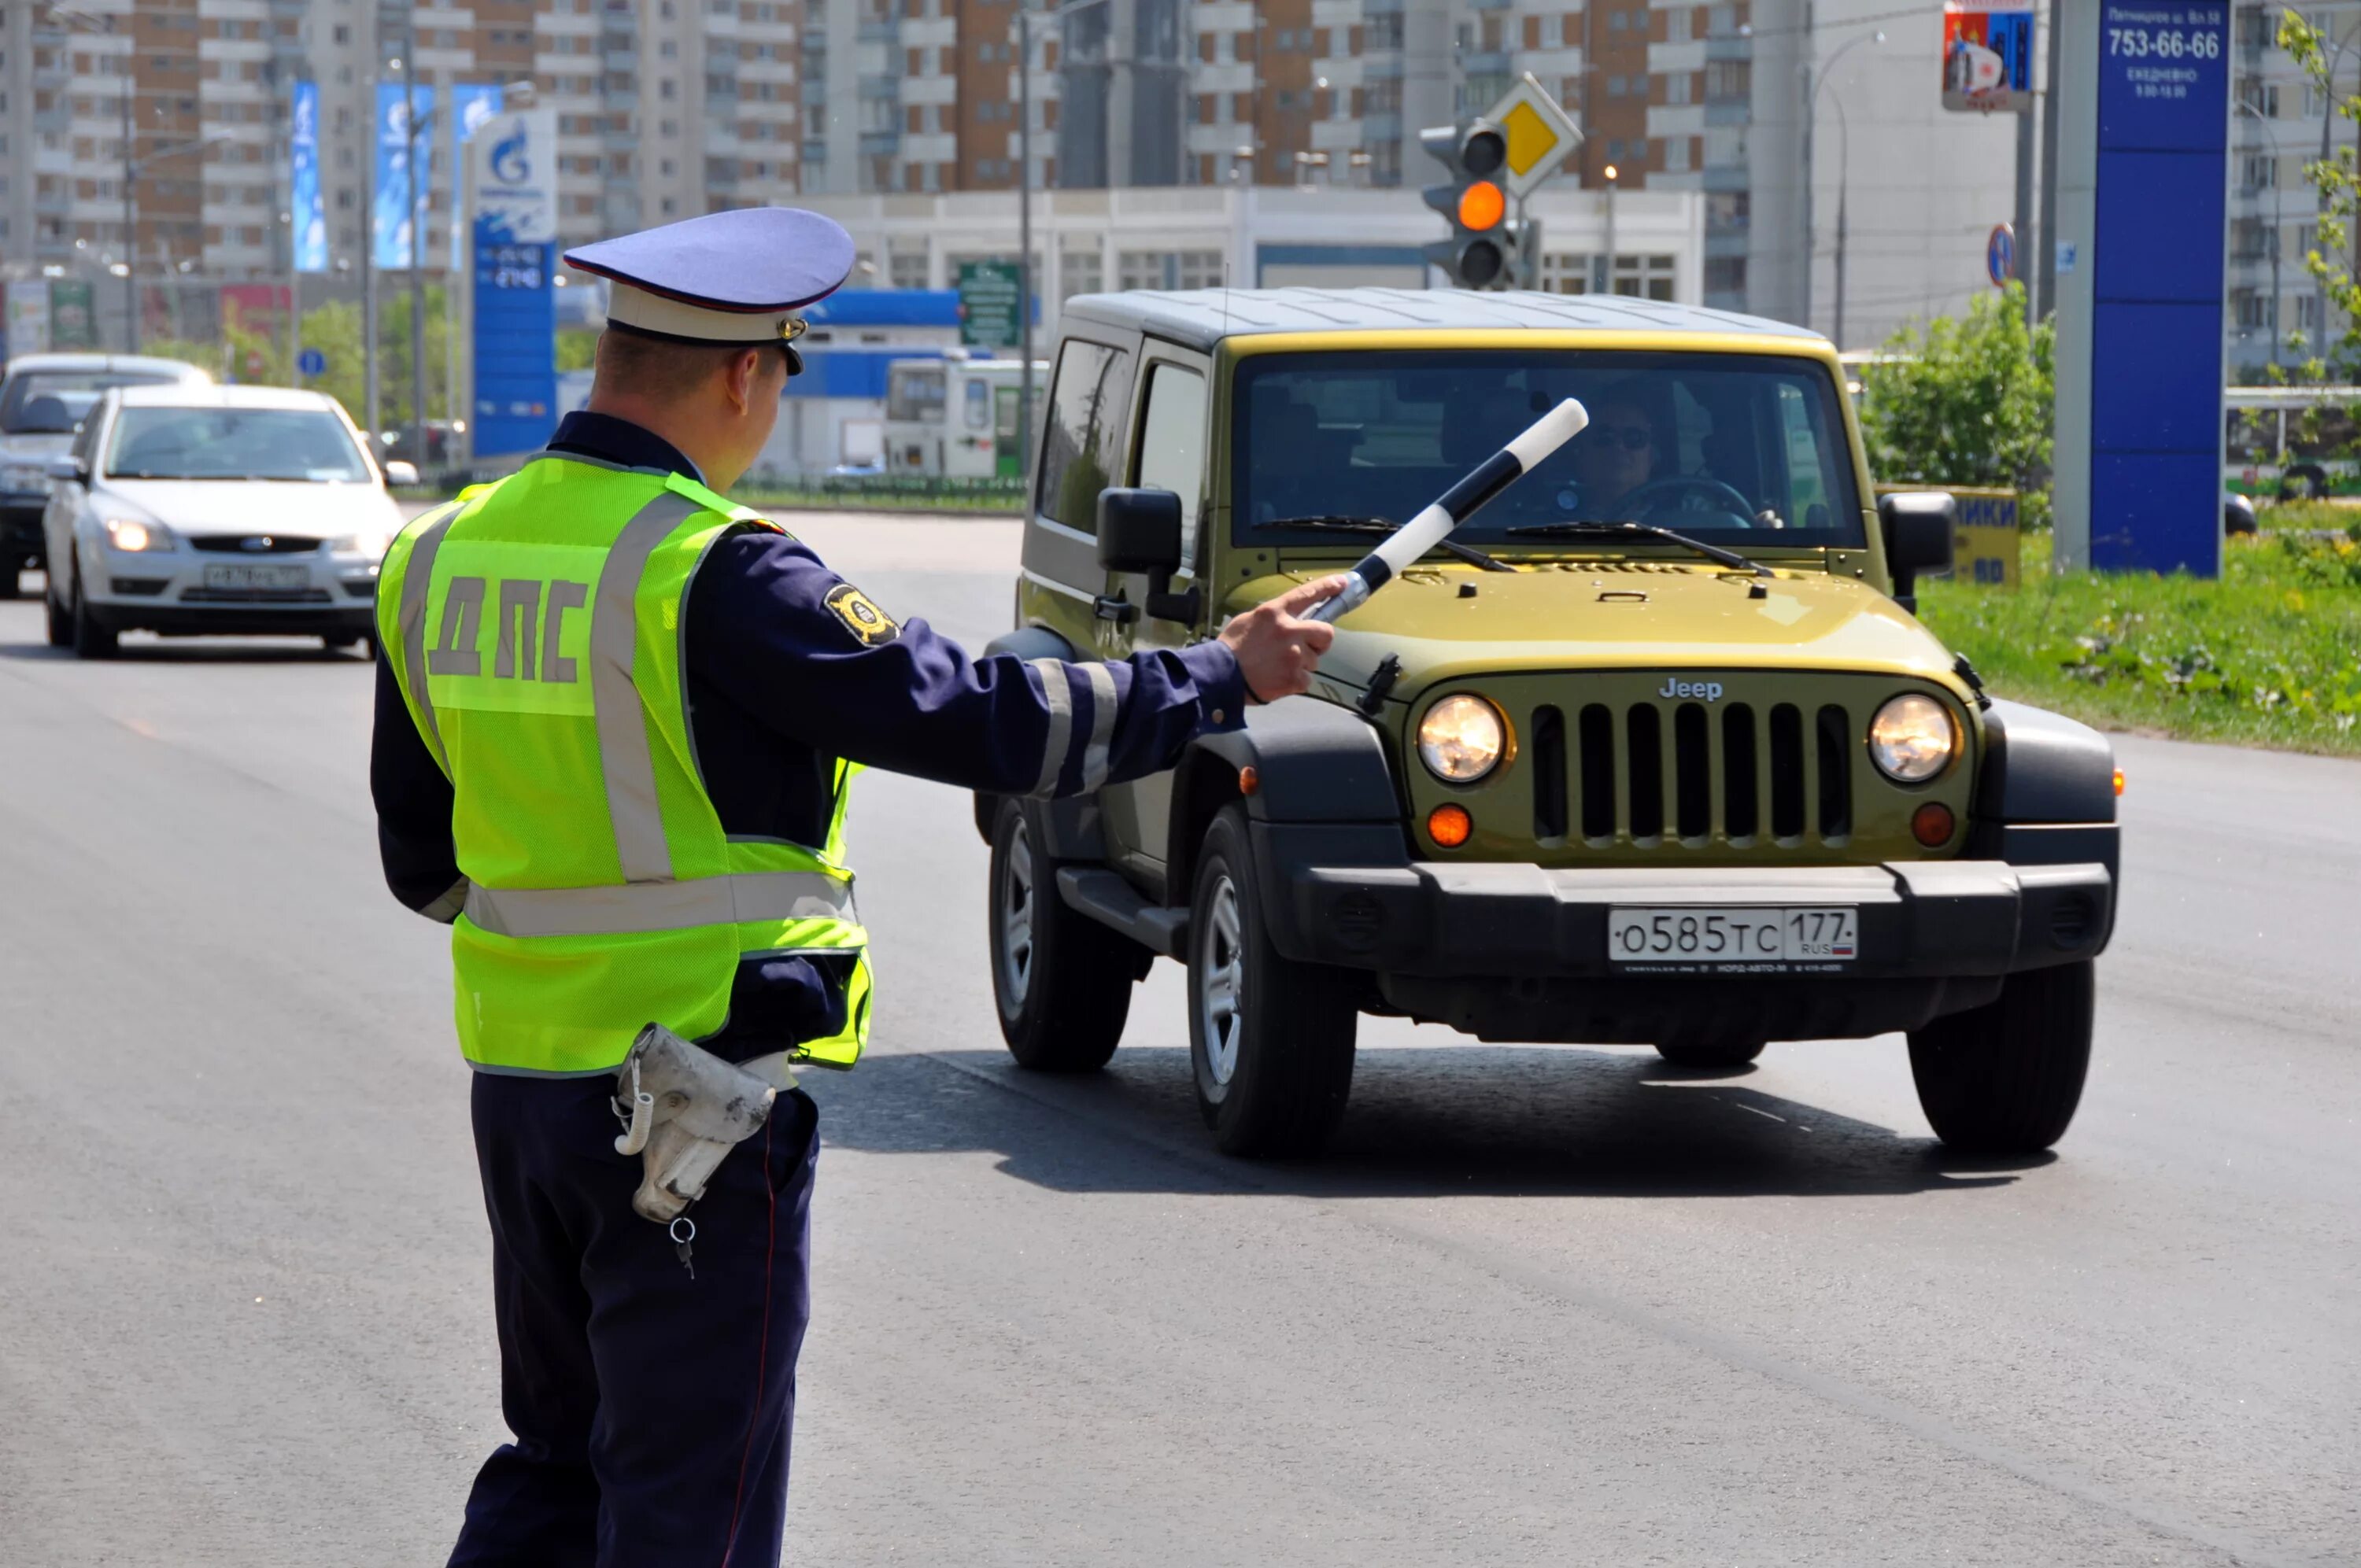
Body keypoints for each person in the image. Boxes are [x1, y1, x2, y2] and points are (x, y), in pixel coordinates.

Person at [368, 206, 1343, 1568]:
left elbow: (423, 862)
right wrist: (1222, 673)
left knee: (555, 1463)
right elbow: (994, 721)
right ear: (740, 375)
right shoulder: (713, 566)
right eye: (782, 374)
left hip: (522, 1096)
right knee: (686, 1498)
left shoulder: (439, 555)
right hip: (686, 1107)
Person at [1565, 393, 1660, 520]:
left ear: (1651, 457)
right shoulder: (1549, 528)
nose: (1619, 447)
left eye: (1634, 437)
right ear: (1581, 455)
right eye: (1604, 437)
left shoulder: (1683, 522)